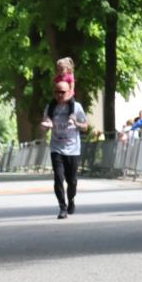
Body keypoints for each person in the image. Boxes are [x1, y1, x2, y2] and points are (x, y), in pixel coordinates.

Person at [41, 81, 89, 219]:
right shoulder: (51, 107)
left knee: (72, 181)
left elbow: (85, 126)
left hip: (73, 148)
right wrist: (44, 127)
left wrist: (77, 123)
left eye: (63, 92)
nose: (60, 94)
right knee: (58, 178)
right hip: (56, 148)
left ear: (69, 92)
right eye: (57, 92)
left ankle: (71, 200)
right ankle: (62, 207)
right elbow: (46, 122)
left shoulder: (76, 107)